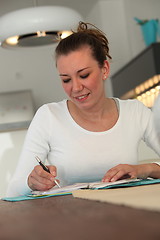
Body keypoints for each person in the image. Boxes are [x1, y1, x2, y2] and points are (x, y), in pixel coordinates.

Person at [7, 22, 160, 197]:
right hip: (71, 218)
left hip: (125, 214)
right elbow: (13, 190)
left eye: (84, 75)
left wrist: (144, 169)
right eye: (66, 79)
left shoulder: (135, 112)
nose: (76, 87)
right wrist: (31, 182)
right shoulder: (49, 116)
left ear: (105, 69)